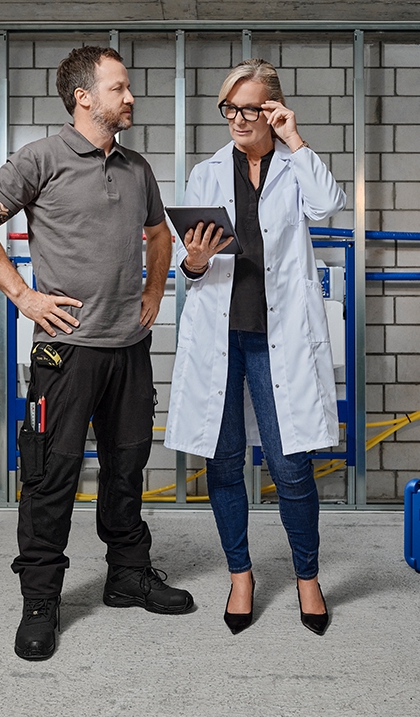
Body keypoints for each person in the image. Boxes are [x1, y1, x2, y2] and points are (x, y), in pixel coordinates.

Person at [0, 45, 191, 661]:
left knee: (126, 466)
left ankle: (127, 576)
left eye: (128, 87)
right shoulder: (41, 158)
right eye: (118, 88)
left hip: (128, 348)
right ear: (83, 96)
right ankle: (40, 600)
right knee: (50, 475)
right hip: (65, 351)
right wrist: (25, 298)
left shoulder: (137, 168)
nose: (130, 96)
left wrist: (154, 289)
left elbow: (159, 235)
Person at [166, 61, 347, 636]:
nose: (239, 120)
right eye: (230, 109)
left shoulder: (295, 167)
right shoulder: (206, 173)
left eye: (251, 109)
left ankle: (307, 578)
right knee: (222, 463)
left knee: (291, 466)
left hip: (280, 339)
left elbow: (327, 205)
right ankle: (240, 575)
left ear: (274, 109)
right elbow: (189, 260)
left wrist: (295, 139)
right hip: (221, 336)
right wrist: (192, 263)